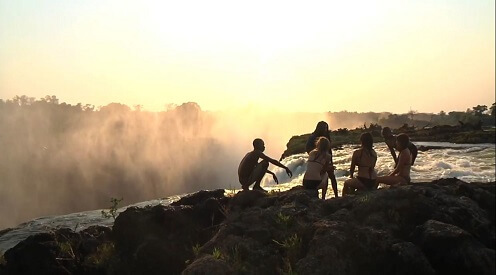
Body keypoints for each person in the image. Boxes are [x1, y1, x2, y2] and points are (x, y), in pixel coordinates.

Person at [305, 121, 339, 198]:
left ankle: (336, 195)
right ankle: (323, 197)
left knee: (332, 177)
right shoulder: (313, 137)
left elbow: (329, 149)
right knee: (324, 175)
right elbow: (308, 148)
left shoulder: (326, 136)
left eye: (326, 128)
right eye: (324, 128)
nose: (325, 129)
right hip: (319, 161)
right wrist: (317, 157)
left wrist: (330, 160)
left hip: (326, 159)